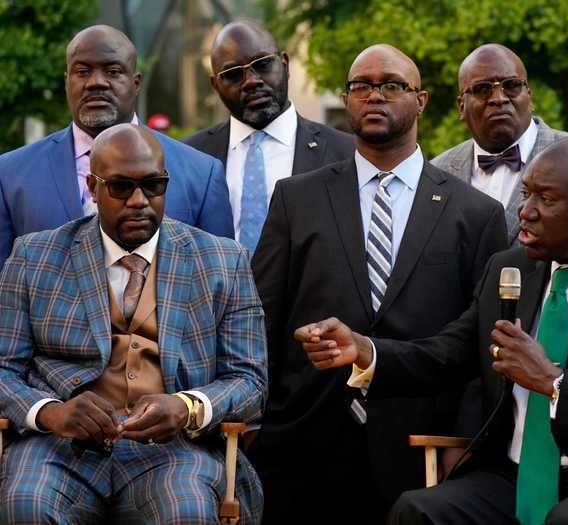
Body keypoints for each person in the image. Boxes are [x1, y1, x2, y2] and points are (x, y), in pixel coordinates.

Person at [298, 136, 568, 525]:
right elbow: (447, 356)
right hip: (513, 474)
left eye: (547, 199)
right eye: (526, 194)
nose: (526, 211)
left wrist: (554, 383)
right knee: (417, 510)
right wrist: (366, 351)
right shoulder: (509, 270)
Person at [250, 44, 507, 524]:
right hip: (304, 438)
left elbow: (484, 342)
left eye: (391, 85)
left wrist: (470, 438)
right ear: (347, 100)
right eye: (361, 86)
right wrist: (261, 417)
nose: (374, 95)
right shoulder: (295, 197)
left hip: (424, 445)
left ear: (422, 100)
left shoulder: (477, 214)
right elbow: (262, 312)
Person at [0, 124, 267, 524]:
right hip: (58, 447)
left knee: (187, 510)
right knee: (27, 504)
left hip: (176, 450)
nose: (139, 201)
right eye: (121, 187)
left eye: (153, 186)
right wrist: (49, 412)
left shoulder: (224, 261)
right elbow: (3, 368)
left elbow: (250, 380)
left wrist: (187, 406)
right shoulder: (34, 256)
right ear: (93, 187)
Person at [0, 25, 234, 269]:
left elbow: (222, 282)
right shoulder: (10, 175)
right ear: (67, 82)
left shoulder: (201, 173)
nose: (96, 83)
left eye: (112, 71)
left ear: (136, 83)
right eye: (82, 71)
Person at [184, 20, 354, 253]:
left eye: (263, 64)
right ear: (215, 85)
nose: (251, 81)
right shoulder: (190, 157)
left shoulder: (345, 153)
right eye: (233, 75)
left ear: (285, 64)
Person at [432, 44, 568, 244]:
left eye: (512, 85)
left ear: (529, 96)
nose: (499, 99)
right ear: (461, 106)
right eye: (482, 89)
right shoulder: (437, 173)